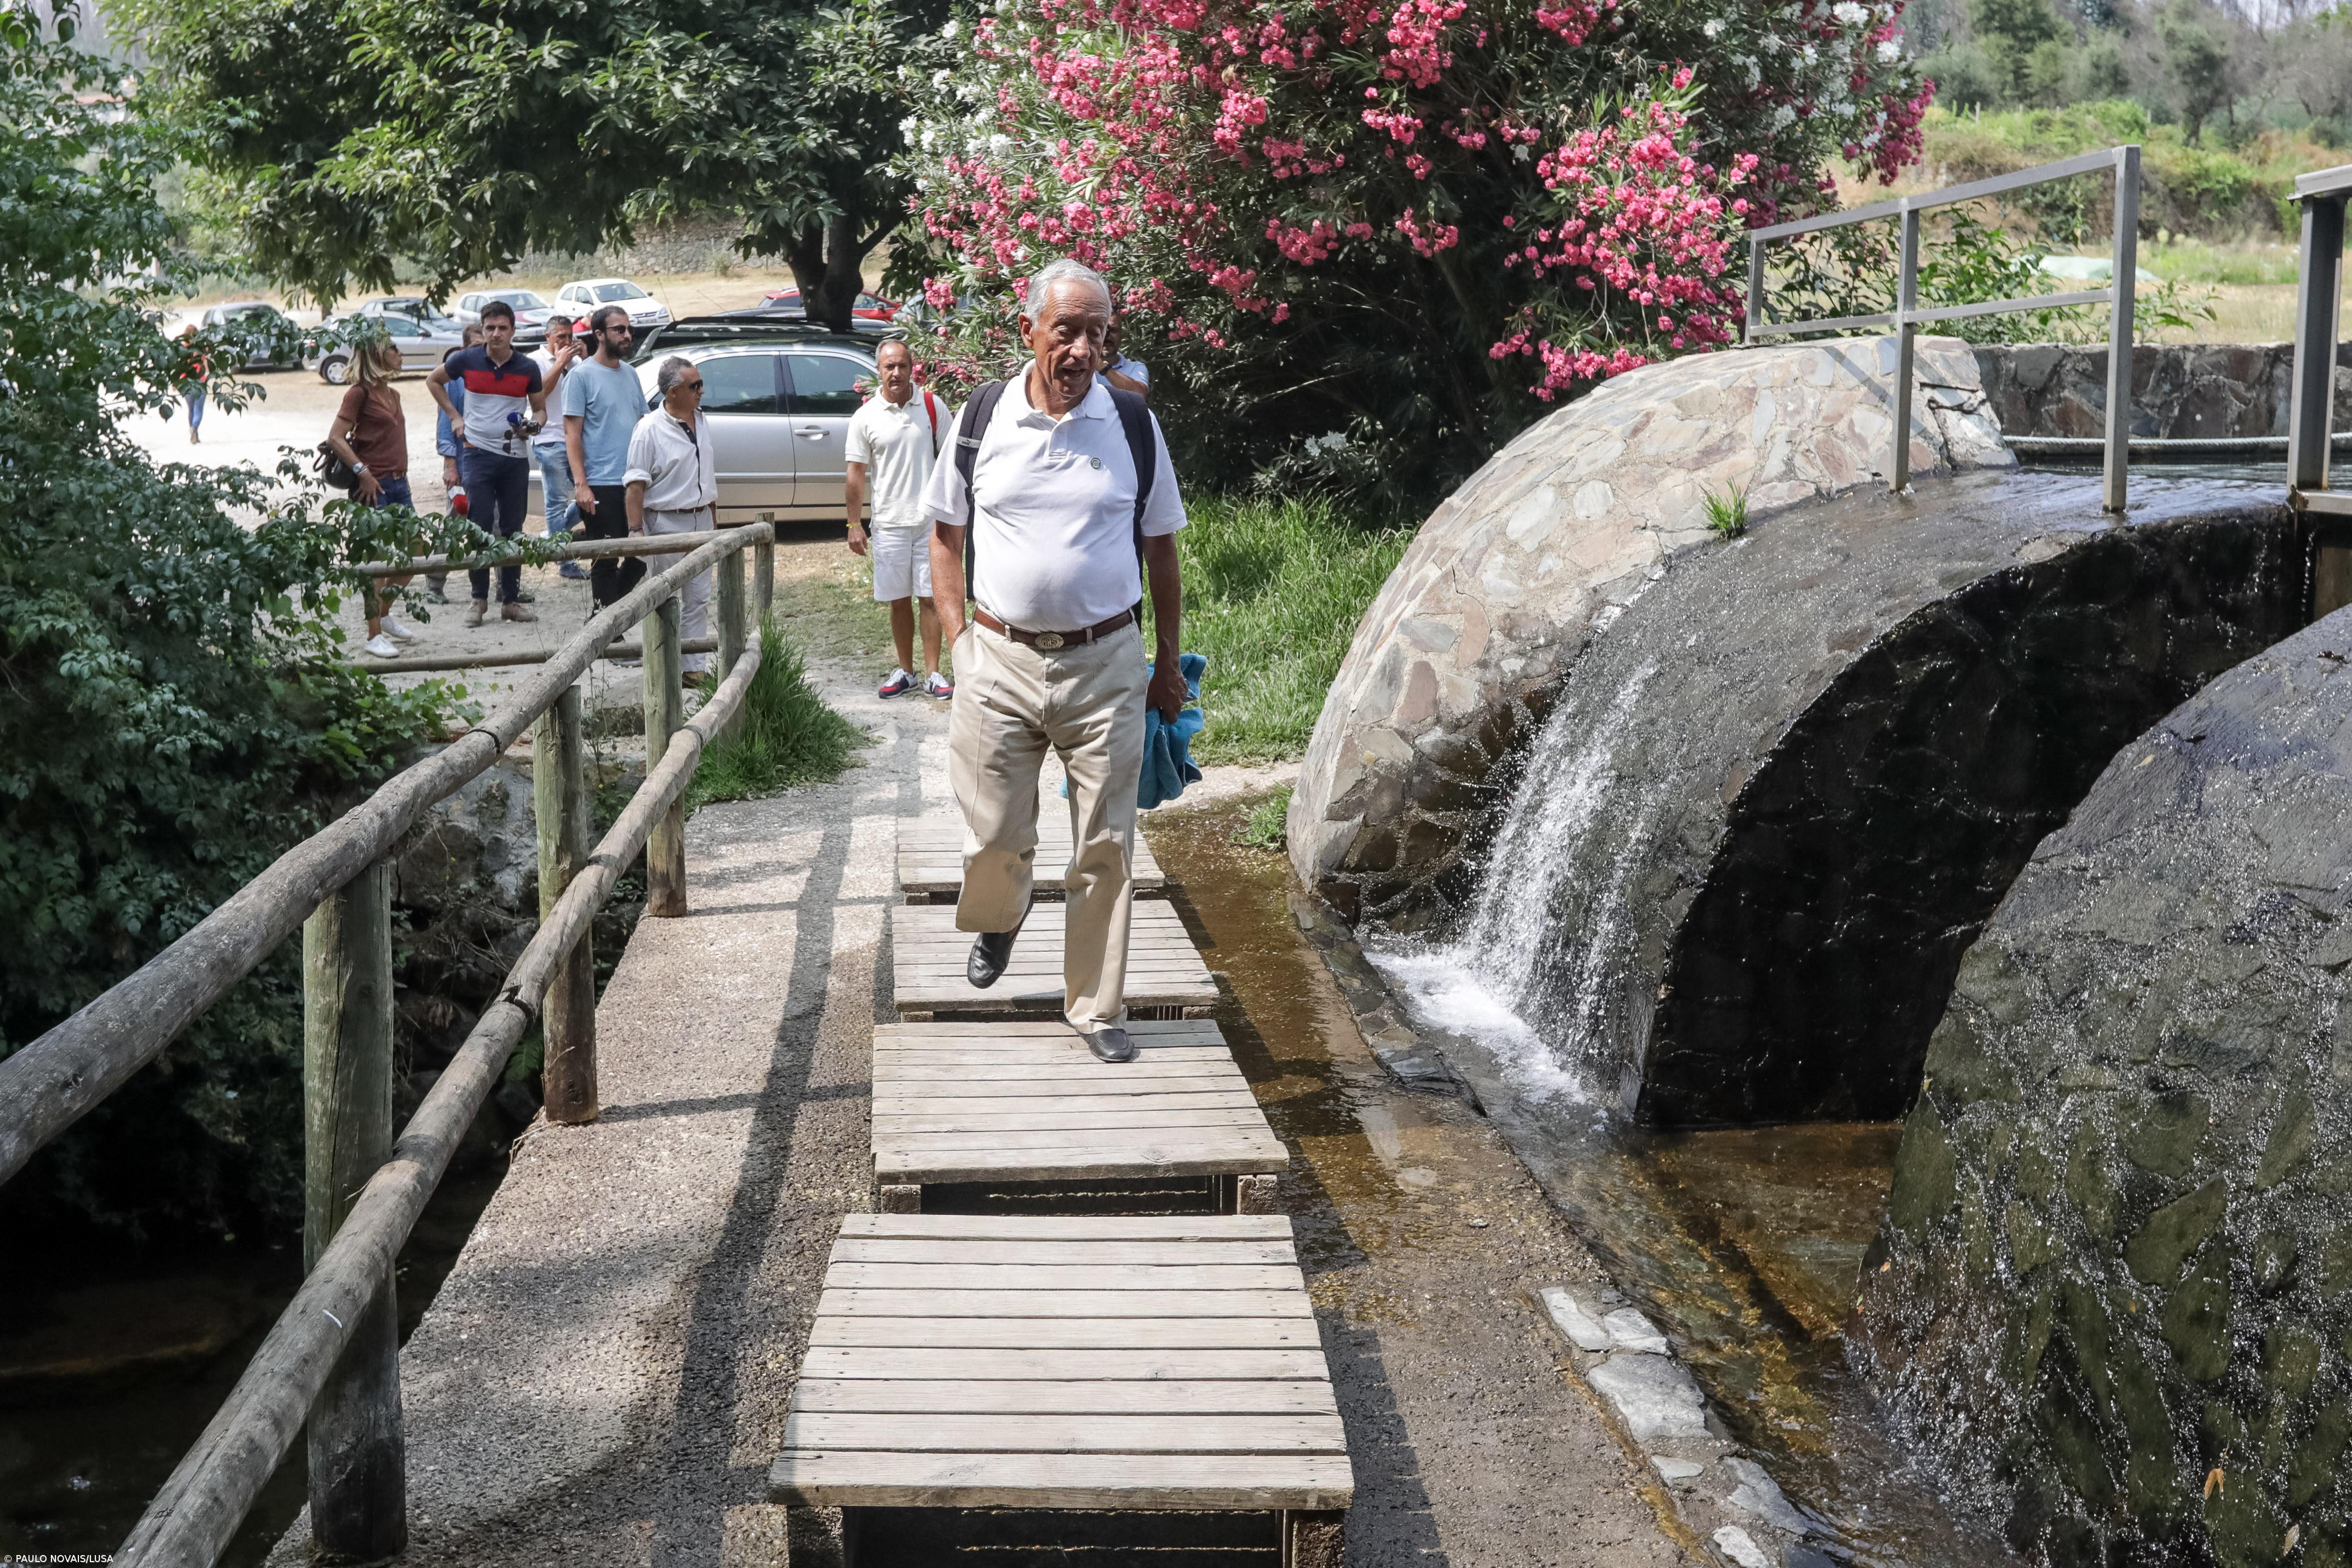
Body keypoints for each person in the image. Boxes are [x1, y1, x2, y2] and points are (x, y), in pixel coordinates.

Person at [923, 257, 1189, 1064]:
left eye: (1098, 335)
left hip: (1106, 661)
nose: (1081, 350)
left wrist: (1166, 664)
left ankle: (1097, 1006)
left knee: (1105, 844)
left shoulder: (1134, 424)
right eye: (1066, 331)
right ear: (1028, 332)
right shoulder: (982, 416)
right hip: (998, 659)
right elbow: (944, 534)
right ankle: (1001, 918)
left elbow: (1163, 550)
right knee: (996, 833)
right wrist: (961, 643)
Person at [846, 339, 954, 699]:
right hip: (889, 522)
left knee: (929, 598)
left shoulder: (931, 406)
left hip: (929, 522)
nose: (895, 373)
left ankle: (934, 674)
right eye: (888, 367)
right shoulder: (865, 416)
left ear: (912, 368)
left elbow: (953, 461)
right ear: (878, 370)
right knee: (898, 600)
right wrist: (853, 524)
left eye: (901, 366)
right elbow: (856, 474)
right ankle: (906, 671)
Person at [428, 299, 544, 627]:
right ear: (482, 329)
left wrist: (531, 427)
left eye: (502, 328)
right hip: (476, 453)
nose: (495, 334)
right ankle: (477, 601)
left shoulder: (527, 367)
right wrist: (454, 417)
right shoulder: (465, 359)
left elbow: (540, 411)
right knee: (478, 527)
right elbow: (433, 381)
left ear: (513, 331)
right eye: (489, 328)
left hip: (514, 457)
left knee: (512, 529)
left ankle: (510, 600)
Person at [325, 339, 422, 658]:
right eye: (394, 348)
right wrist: (362, 471)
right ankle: (373, 635)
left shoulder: (393, 394)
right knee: (376, 563)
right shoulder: (358, 393)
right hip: (373, 487)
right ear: (378, 355)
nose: (401, 354)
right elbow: (335, 438)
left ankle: (383, 613)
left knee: (418, 552)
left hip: (399, 484)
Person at [625, 356, 719, 679]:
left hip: (701, 519)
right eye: (695, 386)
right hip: (665, 522)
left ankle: (692, 669)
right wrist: (636, 531)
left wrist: (712, 517)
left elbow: (707, 475)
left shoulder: (702, 420)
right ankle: (663, 666)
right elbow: (635, 484)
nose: (702, 392)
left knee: (699, 597)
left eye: (701, 384)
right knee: (666, 597)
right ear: (673, 391)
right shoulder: (648, 429)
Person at [563, 305, 647, 610]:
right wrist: (581, 485)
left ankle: (604, 624)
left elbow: (643, 424)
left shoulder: (631, 374)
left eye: (628, 329)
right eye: (619, 330)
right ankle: (610, 634)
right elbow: (572, 435)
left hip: (634, 482)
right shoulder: (581, 376)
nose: (627, 335)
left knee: (641, 556)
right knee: (606, 560)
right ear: (599, 334)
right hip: (601, 483)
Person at [425, 322, 486, 604]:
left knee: (499, 526)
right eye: (476, 346)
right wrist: (450, 465)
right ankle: (435, 582)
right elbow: (445, 423)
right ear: (464, 349)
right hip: (463, 464)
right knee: (454, 524)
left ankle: (503, 587)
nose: (482, 351)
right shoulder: (454, 380)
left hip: (493, 464)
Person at [529, 315, 589, 581]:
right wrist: (561, 363)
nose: (565, 342)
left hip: (575, 438)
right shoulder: (534, 361)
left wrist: (585, 360)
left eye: (569, 337)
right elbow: (538, 395)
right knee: (556, 502)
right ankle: (564, 562)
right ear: (548, 337)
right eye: (560, 337)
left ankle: (552, 540)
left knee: (590, 493)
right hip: (549, 438)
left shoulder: (576, 362)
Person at [1099, 319, 1148, 400]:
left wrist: (1103, 368)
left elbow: (1139, 396)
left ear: (1122, 336)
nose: (1107, 336)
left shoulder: (1135, 367)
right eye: (1102, 329)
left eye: (1114, 331)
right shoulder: (1083, 365)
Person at [177, 323, 209, 443]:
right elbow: (206, 364)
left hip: (186, 382)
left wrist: (176, 384)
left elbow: (179, 367)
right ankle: (194, 428)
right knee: (199, 409)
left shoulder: (182, 349)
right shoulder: (202, 349)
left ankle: (194, 432)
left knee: (191, 409)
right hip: (200, 381)